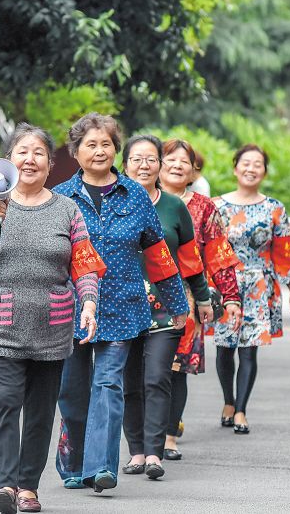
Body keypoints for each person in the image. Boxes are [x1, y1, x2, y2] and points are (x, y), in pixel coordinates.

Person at [0, 123, 105, 514]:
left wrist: (89, 303)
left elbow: (85, 265)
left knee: (41, 412)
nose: (30, 159)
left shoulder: (67, 209)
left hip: (53, 328)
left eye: (39, 153)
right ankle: (5, 486)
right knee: (6, 402)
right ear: (8, 161)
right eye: (22, 152)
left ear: (49, 162)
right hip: (2, 327)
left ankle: (28, 487)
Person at [53, 114, 190, 493]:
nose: (99, 151)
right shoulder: (60, 198)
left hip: (124, 307)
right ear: (76, 152)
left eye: (106, 144)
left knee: (109, 384)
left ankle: (101, 467)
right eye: (90, 145)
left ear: (116, 149)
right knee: (72, 391)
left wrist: (179, 304)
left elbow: (160, 255)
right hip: (72, 309)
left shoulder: (136, 196)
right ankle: (74, 464)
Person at [119, 134, 213, 480]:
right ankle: (137, 451)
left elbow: (190, 260)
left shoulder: (175, 208)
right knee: (130, 382)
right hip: (123, 308)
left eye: (151, 159)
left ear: (159, 163)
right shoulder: (115, 203)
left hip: (167, 308)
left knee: (157, 378)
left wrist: (202, 299)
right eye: (136, 159)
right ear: (125, 164)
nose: (144, 166)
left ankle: (155, 453)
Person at [158, 139, 243, 459]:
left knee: (176, 367)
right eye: (171, 159)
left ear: (194, 172)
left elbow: (219, 255)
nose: (178, 165)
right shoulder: (138, 199)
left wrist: (230, 297)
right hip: (140, 294)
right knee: (144, 369)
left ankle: (168, 435)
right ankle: (145, 434)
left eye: (185, 161)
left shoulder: (204, 208)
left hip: (188, 298)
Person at [212, 143, 290, 434]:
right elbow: (208, 249)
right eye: (246, 163)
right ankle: (228, 400)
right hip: (225, 285)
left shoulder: (274, 208)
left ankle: (241, 410)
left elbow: (283, 251)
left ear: (264, 172)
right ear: (235, 167)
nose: (251, 169)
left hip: (259, 286)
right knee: (225, 349)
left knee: (249, 350)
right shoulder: (217, 206)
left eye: (258, 165)